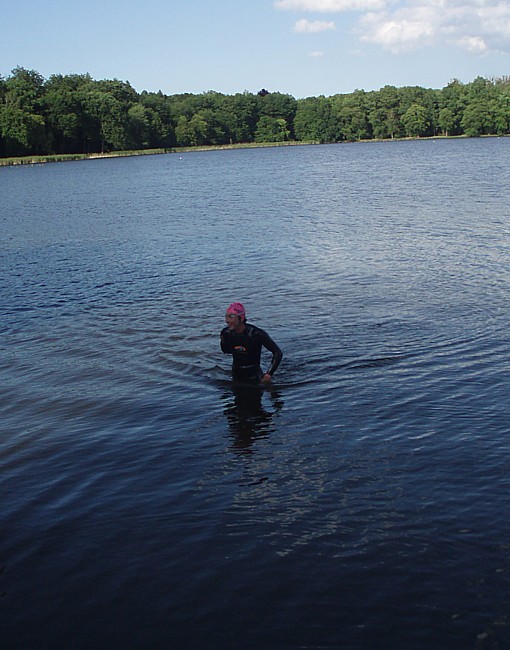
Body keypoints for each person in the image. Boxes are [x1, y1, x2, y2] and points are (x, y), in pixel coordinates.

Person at [220, 302, 283, 384]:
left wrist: (269, 374)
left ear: (241, 318)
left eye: (231, 316)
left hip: (254, 375)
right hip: (236, 374)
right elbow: (226, 351)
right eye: (226, 316)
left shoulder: (256, 334)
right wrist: (223, 342)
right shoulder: (226, 333)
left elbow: (278, 353)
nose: (227, 320)